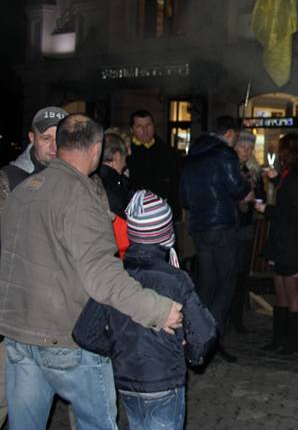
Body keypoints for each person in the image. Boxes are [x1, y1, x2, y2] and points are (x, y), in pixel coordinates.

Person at [0, 113, 182, 430]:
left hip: (19, 334)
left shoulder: (23, 190)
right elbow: (102, 276)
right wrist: (158, 310)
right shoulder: (79, 196)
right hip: (65, 339)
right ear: (96, 149)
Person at [73, 190, 217, 430]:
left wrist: (119, 349)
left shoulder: (115, 277)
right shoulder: (175, 280)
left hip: (126, 382)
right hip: (163, 382)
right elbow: (204, 333)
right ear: (165, 234)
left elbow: (85, 332)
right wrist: (190, 353)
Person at [0, 105, 65, 426]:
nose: (53, 146)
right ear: (31, 138)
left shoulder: (79, 180)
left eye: (60, 138)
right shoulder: (10, 180)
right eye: (45, 138)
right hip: (18, 313)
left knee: (90, 402)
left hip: (65, 315)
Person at [179, 115, 249, 362]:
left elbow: (185, 198)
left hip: (199, 227)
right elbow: (237, 188)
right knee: (226, 282)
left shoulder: (192, 156)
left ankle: (197, 334)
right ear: (230, 134)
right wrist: (246, 187)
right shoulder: (224, 154)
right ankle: (212, 337)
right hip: (222, 226)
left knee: (206, 283)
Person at [255, 133, 298, 354]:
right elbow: (291, 195)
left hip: (292, 240)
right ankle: (279, 338)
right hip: (284, 240)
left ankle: (293, 342)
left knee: (291, 291)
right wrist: (275, 178)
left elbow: (292, 211)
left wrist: (267, 209)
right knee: (281, 289)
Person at [230, 130, 264, 335]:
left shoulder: (253, 171)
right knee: (229, 274)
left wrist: (255, 198)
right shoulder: (229, 168)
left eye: (250, 148)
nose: (246, 151)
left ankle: (237, 317)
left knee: (241, 274)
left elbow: (259, 196)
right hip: (230, 227)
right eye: (242, 147)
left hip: (245, 227)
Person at [127, 109, 181, 217]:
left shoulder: (167, 151)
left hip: (163, 211)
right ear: (132, 130)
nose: (145, 130)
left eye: (148, 125)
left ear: (154, 126)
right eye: (139, 127)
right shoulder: (126, 153)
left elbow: (176, 182)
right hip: (136, 212)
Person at [97, 132, 134, 258]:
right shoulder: (114, 185)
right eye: (124, 159)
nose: (125, 165)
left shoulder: (91, 178)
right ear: (117, 157)